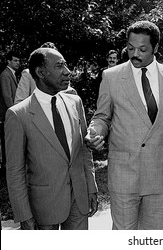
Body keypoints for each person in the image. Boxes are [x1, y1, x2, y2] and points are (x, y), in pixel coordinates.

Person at [85, 20, 163, 230]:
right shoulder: (111, 76)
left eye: (142, 49)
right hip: (123, 171)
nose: (134, 53)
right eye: (130, 48)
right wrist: (95, 133)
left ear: (155, 48)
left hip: (158, 172)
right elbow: (102, 116)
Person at [5, 47, 98, 230]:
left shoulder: (75, 103)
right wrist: (24, 215)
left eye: (65, 64)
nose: (67, 71)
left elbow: (84, 151)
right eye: (59, 66)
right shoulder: (18, 115)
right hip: (43, 208)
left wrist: (91, 187)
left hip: (78, 201)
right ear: (41, 72)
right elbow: (15, 171)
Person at [0, 51, 21, 174]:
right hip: (8, 114)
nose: (18, 63)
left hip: (10, 113)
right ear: (8, 61)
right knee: (6, 140)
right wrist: (14, 113)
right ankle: (5, 166)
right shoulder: (5, 75)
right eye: (15, 60)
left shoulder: (12, 74)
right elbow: (7, 96)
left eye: (18, 61)